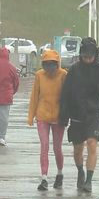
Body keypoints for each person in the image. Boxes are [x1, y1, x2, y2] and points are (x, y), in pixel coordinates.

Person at [58, 37, 99, 193]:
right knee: (78, 149)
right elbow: (65, 94)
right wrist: (63, 116)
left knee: (92, 143)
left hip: (94, 113)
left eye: (90, 56)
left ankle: (89, 181)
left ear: (96, 55)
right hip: (76, 114)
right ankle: (80, 171)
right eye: (84, 56)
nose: (87, 59)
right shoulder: (74, 71)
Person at [27, 50, 67, 191]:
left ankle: (60, 173)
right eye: (47, 65)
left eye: (53, 65)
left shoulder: (63, 75)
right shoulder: (39, 75)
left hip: (58, 116)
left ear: (57, 64)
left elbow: (68, 96)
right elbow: (35, 96)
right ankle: (44, 177)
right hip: (42, 115)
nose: (50, 68)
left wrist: (67, 115)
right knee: (44, 145)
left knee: (57, 148)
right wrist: (31, 115)